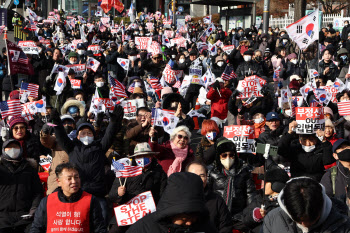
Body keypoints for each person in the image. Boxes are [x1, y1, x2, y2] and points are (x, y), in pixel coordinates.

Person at [126, 172, 218, 233]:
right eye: (184, 218)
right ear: (171, 213)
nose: (189, 223)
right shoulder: (144, 228)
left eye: (193, 217)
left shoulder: (206, 227)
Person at [30, 163, 107, 233]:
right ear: (59, 182)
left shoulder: (90, 200)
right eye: (69, 178)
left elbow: (99, 229)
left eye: (76, 177)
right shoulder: (47, 201)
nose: (74, 181)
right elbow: (36, 228)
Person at [108, 142, 167, 233]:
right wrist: (118, 193)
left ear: (151, 156)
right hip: (127, 214)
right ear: (135, 157)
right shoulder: (126, 170)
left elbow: (163, 196)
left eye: (145, 155)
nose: (142, 158)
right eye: (139, 156)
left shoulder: (159, 172)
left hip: (148, 215)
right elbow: (112, 195)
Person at [262, 177, 350, 232]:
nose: (304, 224)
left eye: (312, 220)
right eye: (299, 220)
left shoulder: (343, 224)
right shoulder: (272, 220)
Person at [208, 138, 257, 229]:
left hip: (238, 216)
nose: (228, 158)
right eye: (224, 155)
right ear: (219, 156)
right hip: (218, 215)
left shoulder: (243, 171)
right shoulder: (211, 171)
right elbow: (208, 194)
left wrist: (248, 214)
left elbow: (250, 194)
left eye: (231, 155)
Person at [0, 139, 43, 233]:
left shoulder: (30, 170)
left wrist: (34, 209)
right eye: (9, 147)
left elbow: (38, 192)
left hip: (25, 218)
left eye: (15, 147)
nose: (13, 150)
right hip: (2, 218)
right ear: (3, 150)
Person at [186, 160, 233, 233]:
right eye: (193, 175)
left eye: (201, 175)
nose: (198, 179)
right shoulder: (177, 199)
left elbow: (226, 226)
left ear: (206, 177)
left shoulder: (217, 200)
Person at [242, 168, 289, 233]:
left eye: (266, 182)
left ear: (276, 185)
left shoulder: (287, 202)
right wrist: (255, 216)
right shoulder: (259, 198)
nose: (263, 185)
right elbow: (244, 219)